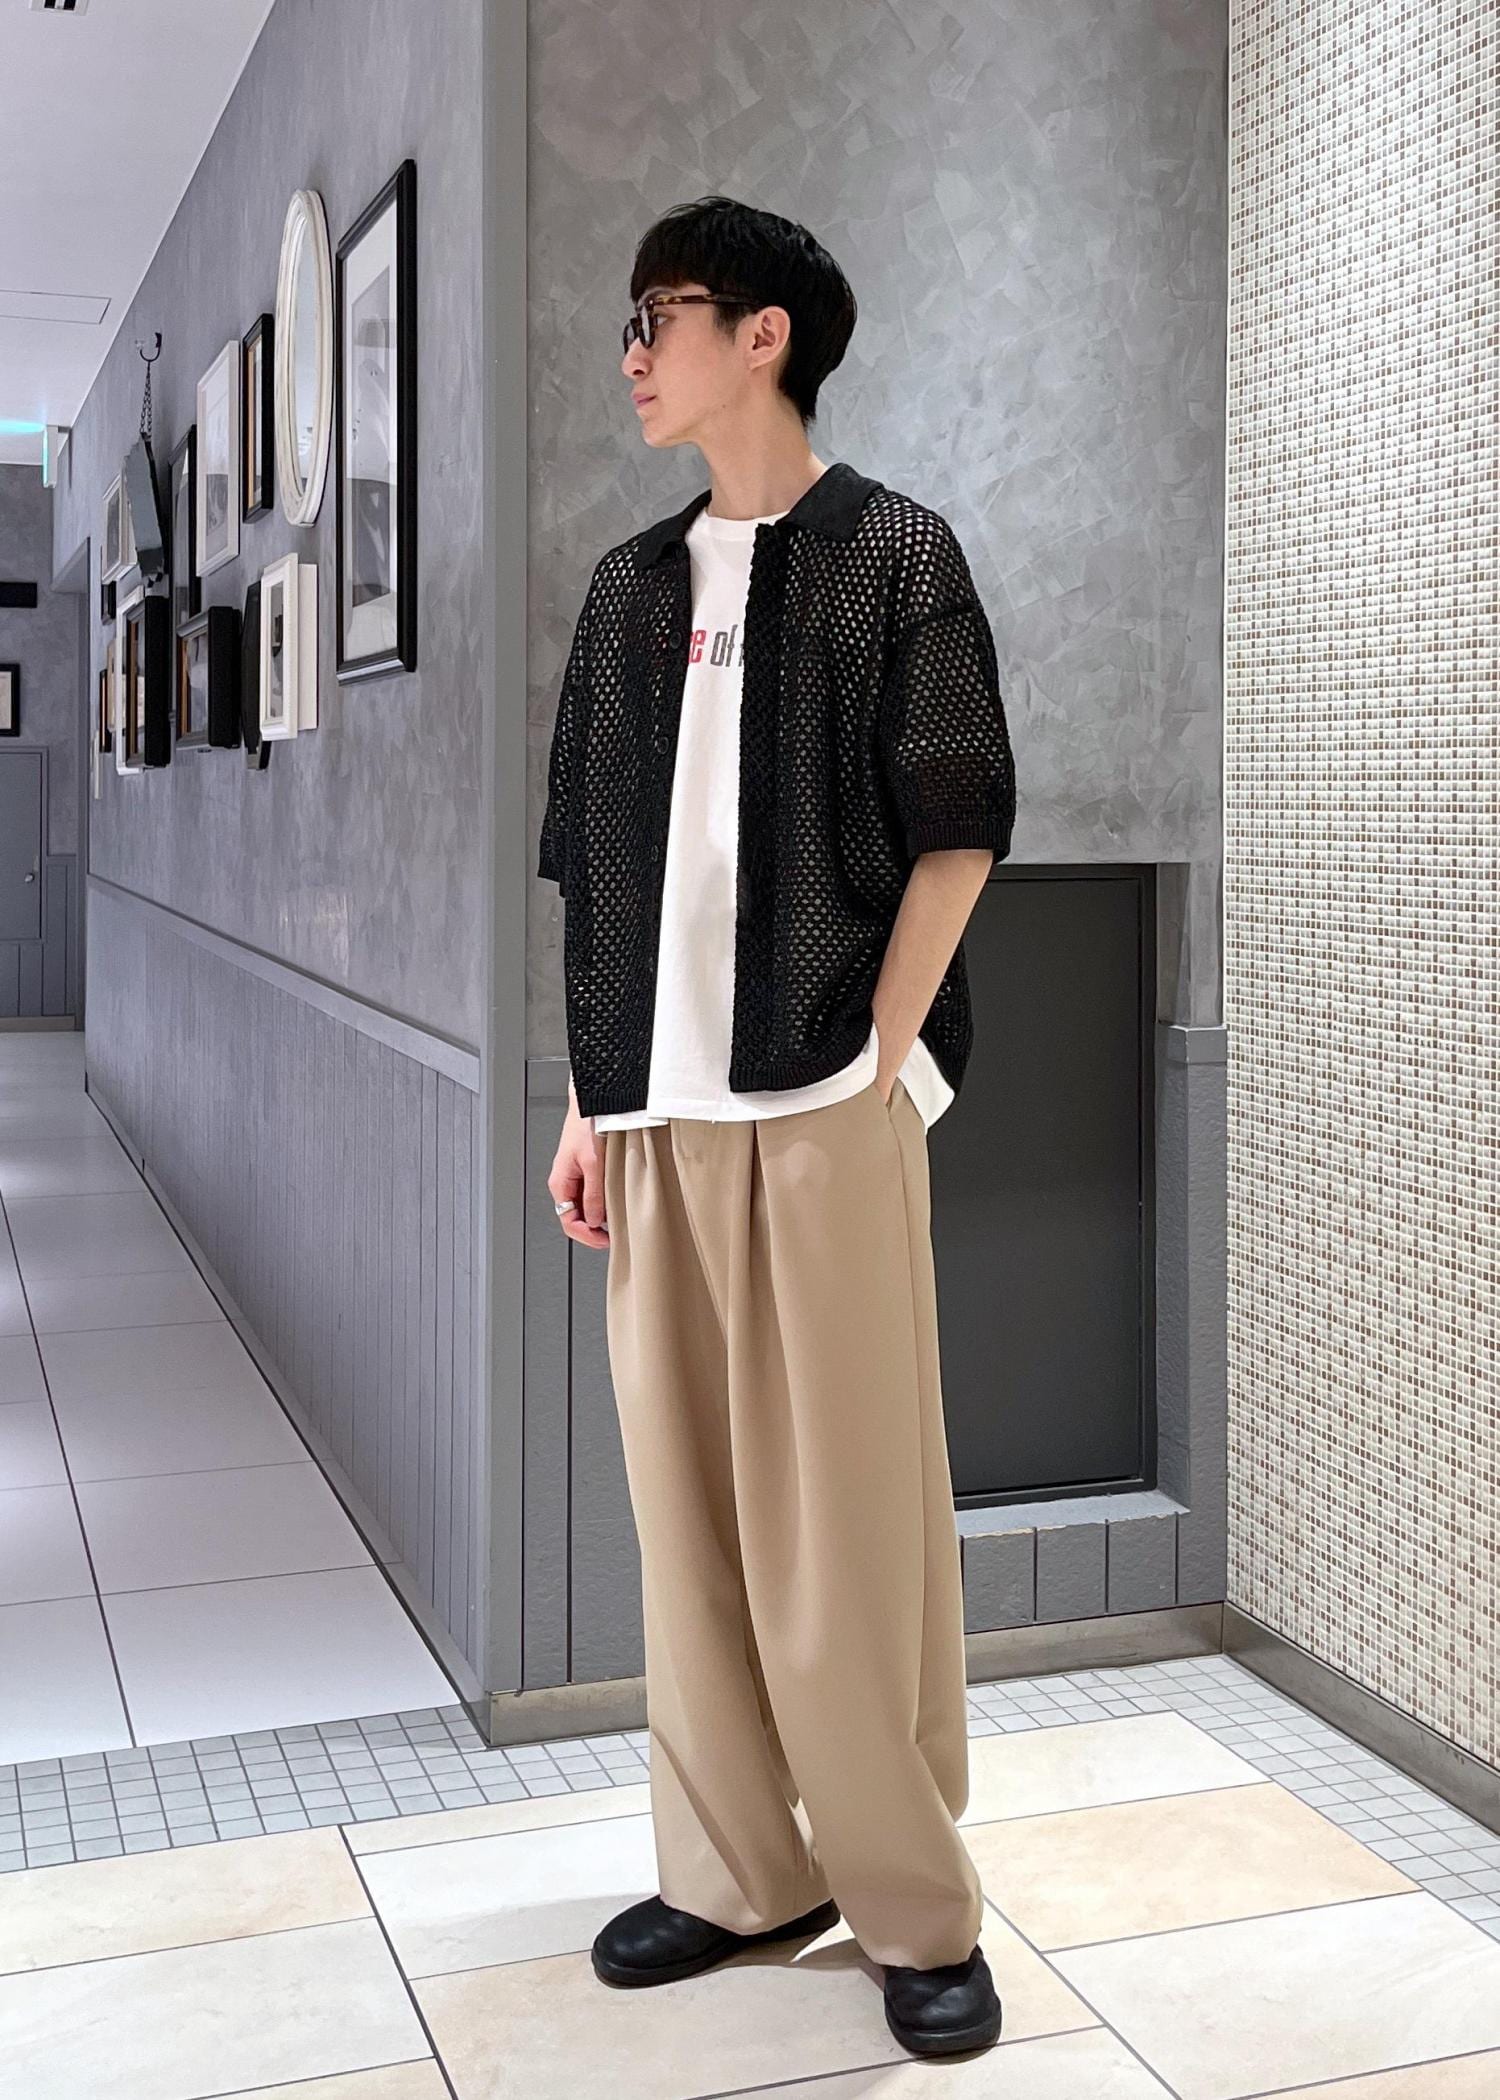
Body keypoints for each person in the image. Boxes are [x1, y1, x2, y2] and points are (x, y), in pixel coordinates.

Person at [538, 195, 1015, 2060]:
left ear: (765, 336)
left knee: (850, 1526)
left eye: (659, 315)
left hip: (820, 1104)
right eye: (630, 320)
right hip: (653, 1115)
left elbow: (960, 825)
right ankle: (741, 1872)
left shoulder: (897, 553)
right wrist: (587, 1103)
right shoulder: (626, 592)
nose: (633, 354)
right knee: (690, 1523)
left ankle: (911, 1905)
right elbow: (597, 873)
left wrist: (880, 1056)